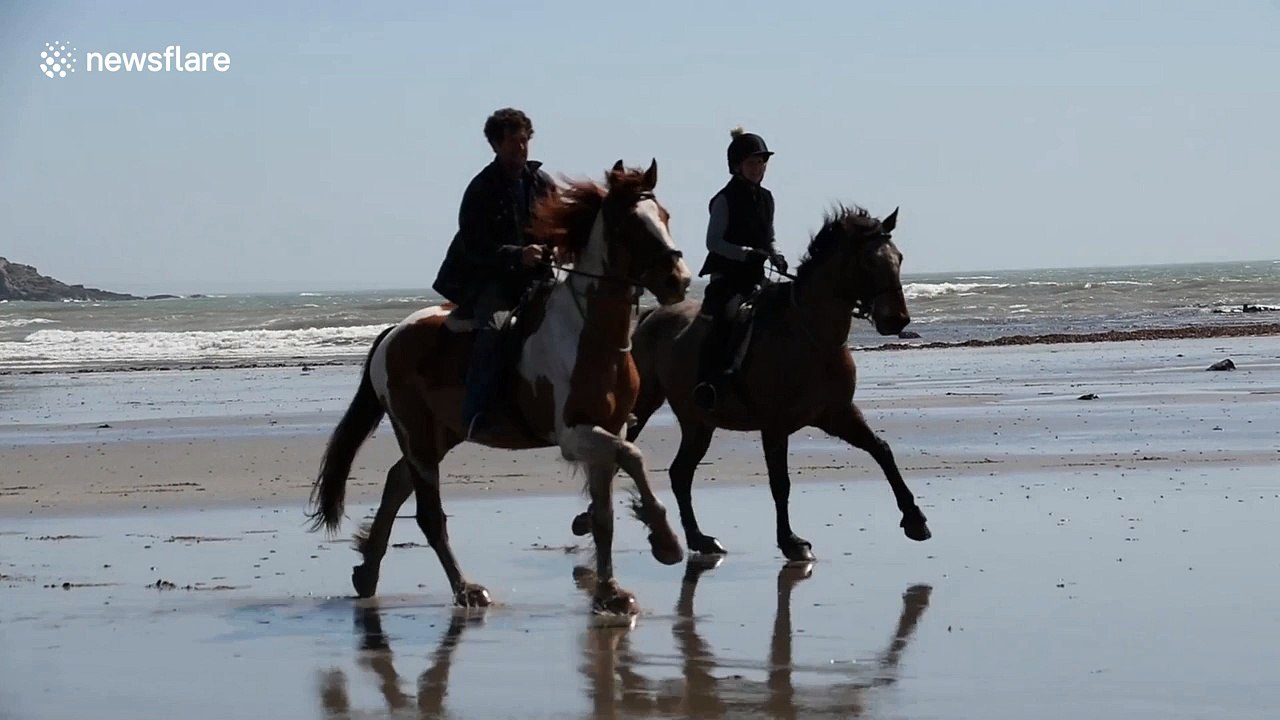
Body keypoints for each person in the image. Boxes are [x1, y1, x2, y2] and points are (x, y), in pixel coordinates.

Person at [432, 107, 556, 438]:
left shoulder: (541, 183)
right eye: (515, 141)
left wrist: (554, 248)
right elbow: (475, 246)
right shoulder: (481, 189)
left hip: (537, 277)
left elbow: (558, 226)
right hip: (490, 280)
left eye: (526, 139)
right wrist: (518, 255)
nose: (522, 147)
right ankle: (477, 412)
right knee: (496, 329)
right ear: (496, 144)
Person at [692, 127, 789, 412]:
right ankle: (709, 382)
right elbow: (713, 242)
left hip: (756, 277)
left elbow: (769, 236)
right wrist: (745, 255)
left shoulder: (767, 198)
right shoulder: (724, 199)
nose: (758, 169)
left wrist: (776, 255)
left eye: (761, 163)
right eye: (752, 163)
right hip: (728, 279)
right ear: (737, 166)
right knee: (728, 316)